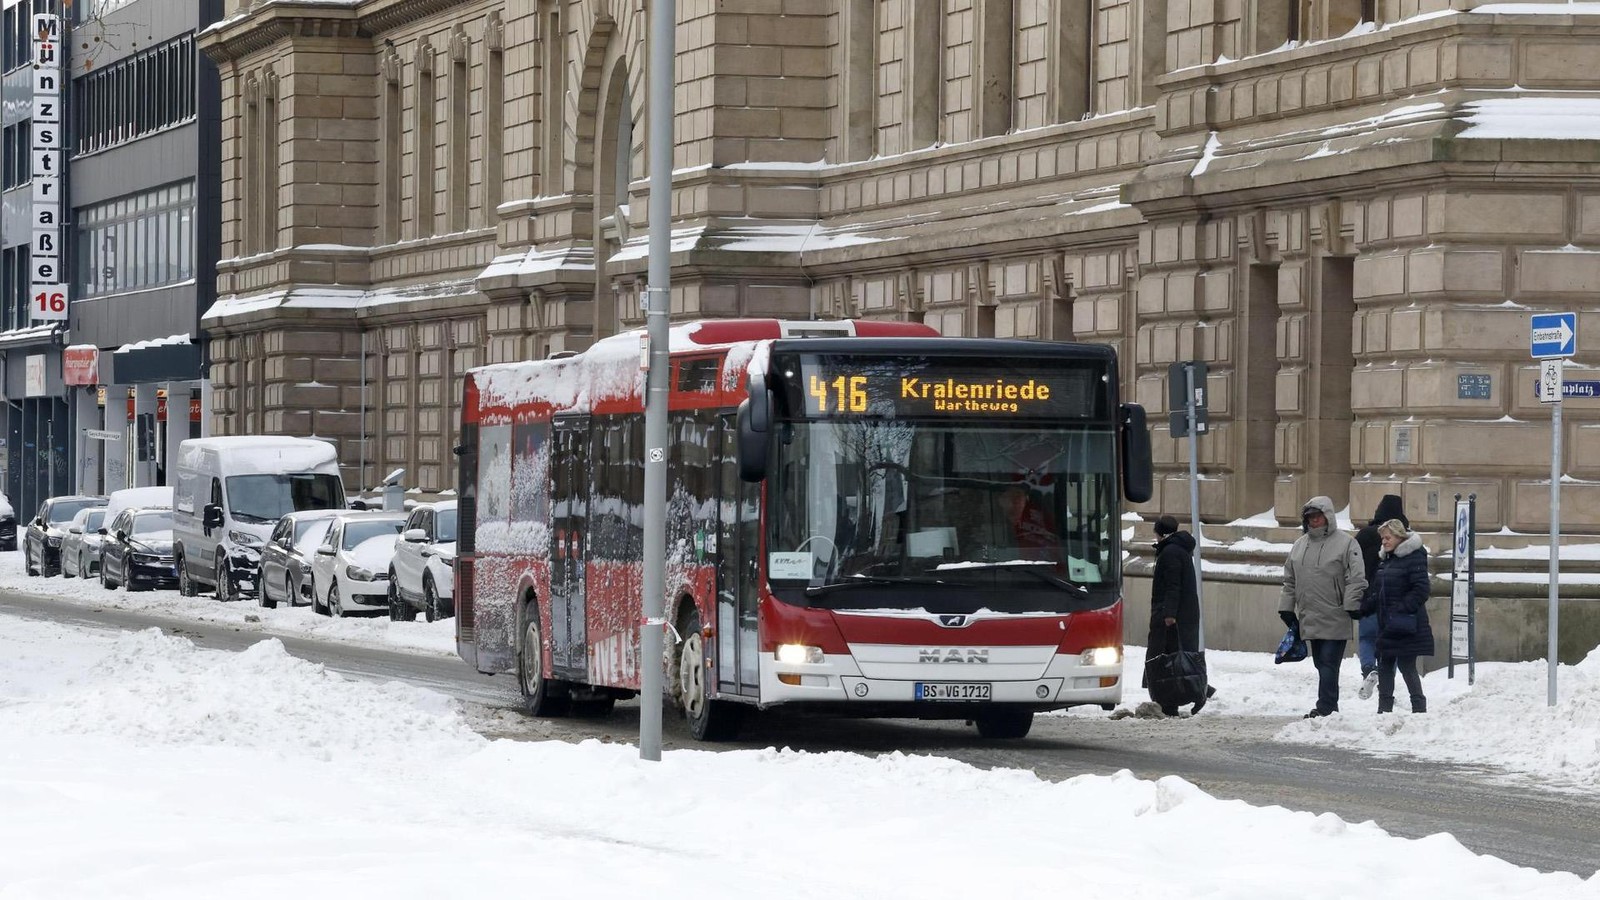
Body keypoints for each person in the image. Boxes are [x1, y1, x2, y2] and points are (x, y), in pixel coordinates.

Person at [1278, 496, 1367, 718]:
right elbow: (1289, 579)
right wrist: (1286, 608)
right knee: (1320, 662)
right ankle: (1328, 706)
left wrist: (1352, 604)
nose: (1313, 521)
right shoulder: (1300, 545)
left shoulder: (1346, 543)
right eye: (1309, 518)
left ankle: (1326, 707)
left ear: (1327, 516)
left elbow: (1356, 577)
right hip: (1309, 613)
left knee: (1329, 661)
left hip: (1335, 612)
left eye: (1317, 516)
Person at [1359, 518, 1434, 714]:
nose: (1383, 541)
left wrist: (1400, 609)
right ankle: (1384, 710)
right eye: (1382, 538)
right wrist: (1364, 608)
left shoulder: (1414, 556)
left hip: (1406, 623)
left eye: (1387, 537)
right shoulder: (1387, 560)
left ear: (1399, 536)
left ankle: (1419, 708)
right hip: (1387, 624)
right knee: (1385, 664)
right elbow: (1378, 591)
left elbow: (1421, 590)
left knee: (1406, 665)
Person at [1147, 515, 1213, 716]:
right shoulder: (1178, 550)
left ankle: (1191, 693)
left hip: (1173, 616)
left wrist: (1169, 614)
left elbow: (1172, 586)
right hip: (1182, 614)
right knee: (1180, 658)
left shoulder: (1170, 553)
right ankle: (1180, 697)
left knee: (1168, 659)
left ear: (1160, 532)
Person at [1353, 494, 1409, 700]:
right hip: (1394, 601)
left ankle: (1369, 669)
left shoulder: (1364, 535)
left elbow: (1350, 564)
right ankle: (1386, 685)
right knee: (1390, 645)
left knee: (1367, 638)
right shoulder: (1404, 538)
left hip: (1368, 598)